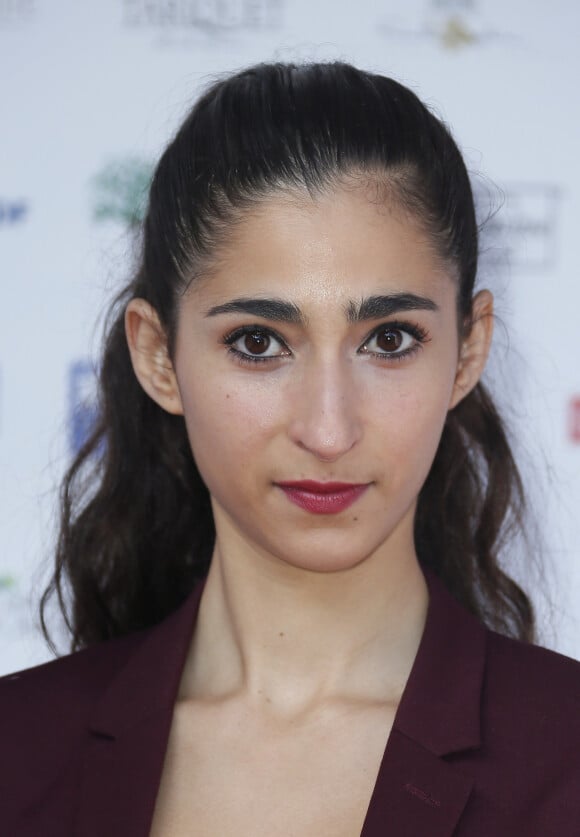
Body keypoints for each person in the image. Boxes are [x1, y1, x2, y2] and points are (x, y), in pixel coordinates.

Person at [1, 60, 579, 836]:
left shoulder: (564, 756)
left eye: (390, 339)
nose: (329, 429)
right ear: (158, 356)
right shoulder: (19, 750)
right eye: (258, 342)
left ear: (469, 350)